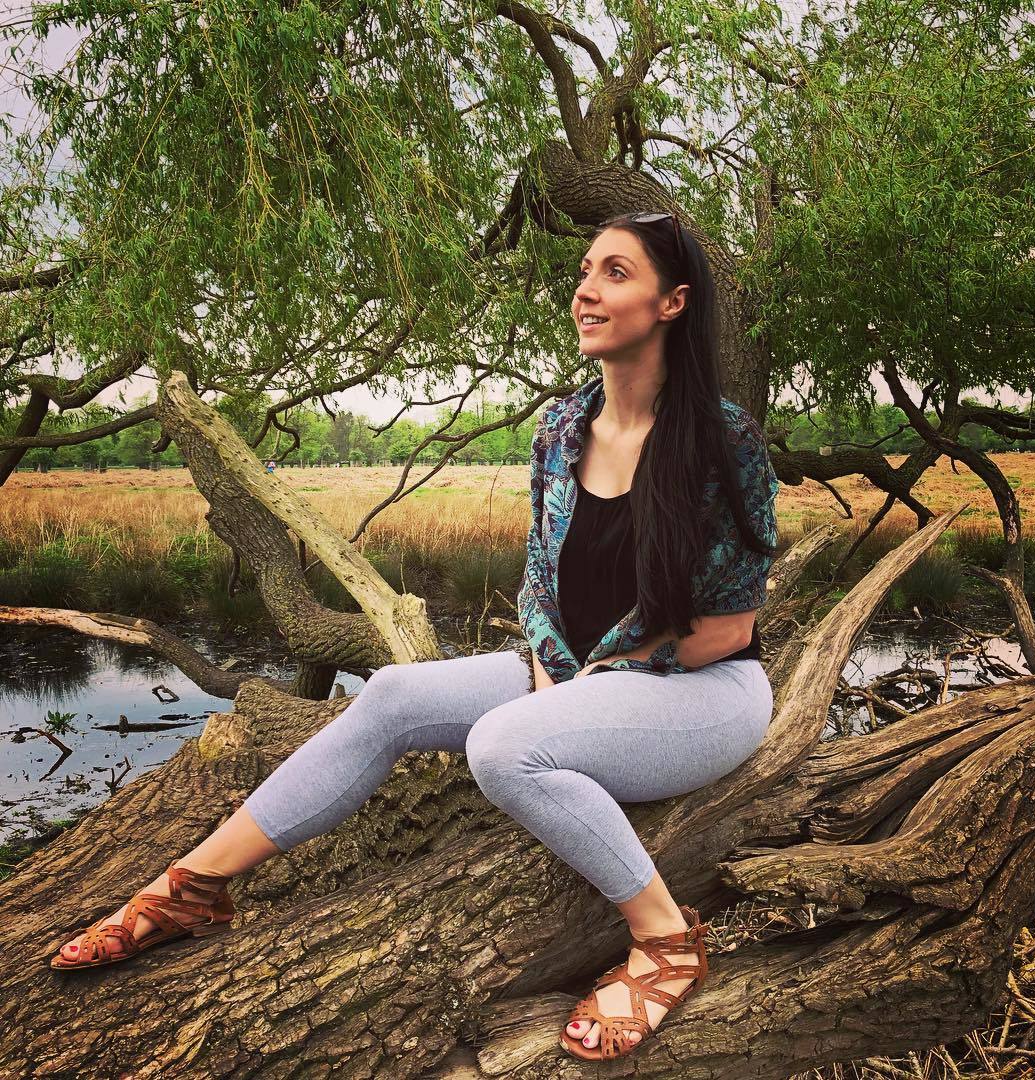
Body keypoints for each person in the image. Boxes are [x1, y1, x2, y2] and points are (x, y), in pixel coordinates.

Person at [47, 211, 780, 1064]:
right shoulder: (561, 430)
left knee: (504, 746)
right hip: (575, 675)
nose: (585, 290)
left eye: (615, 272)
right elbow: (540, 584)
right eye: (584, 270)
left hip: (703, 693)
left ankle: (666, 940)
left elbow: (726, 629)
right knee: (392, 694)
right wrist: (556, 673)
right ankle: (191, 888)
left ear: (672, 302)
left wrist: (578, 690)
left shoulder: (720, 440)